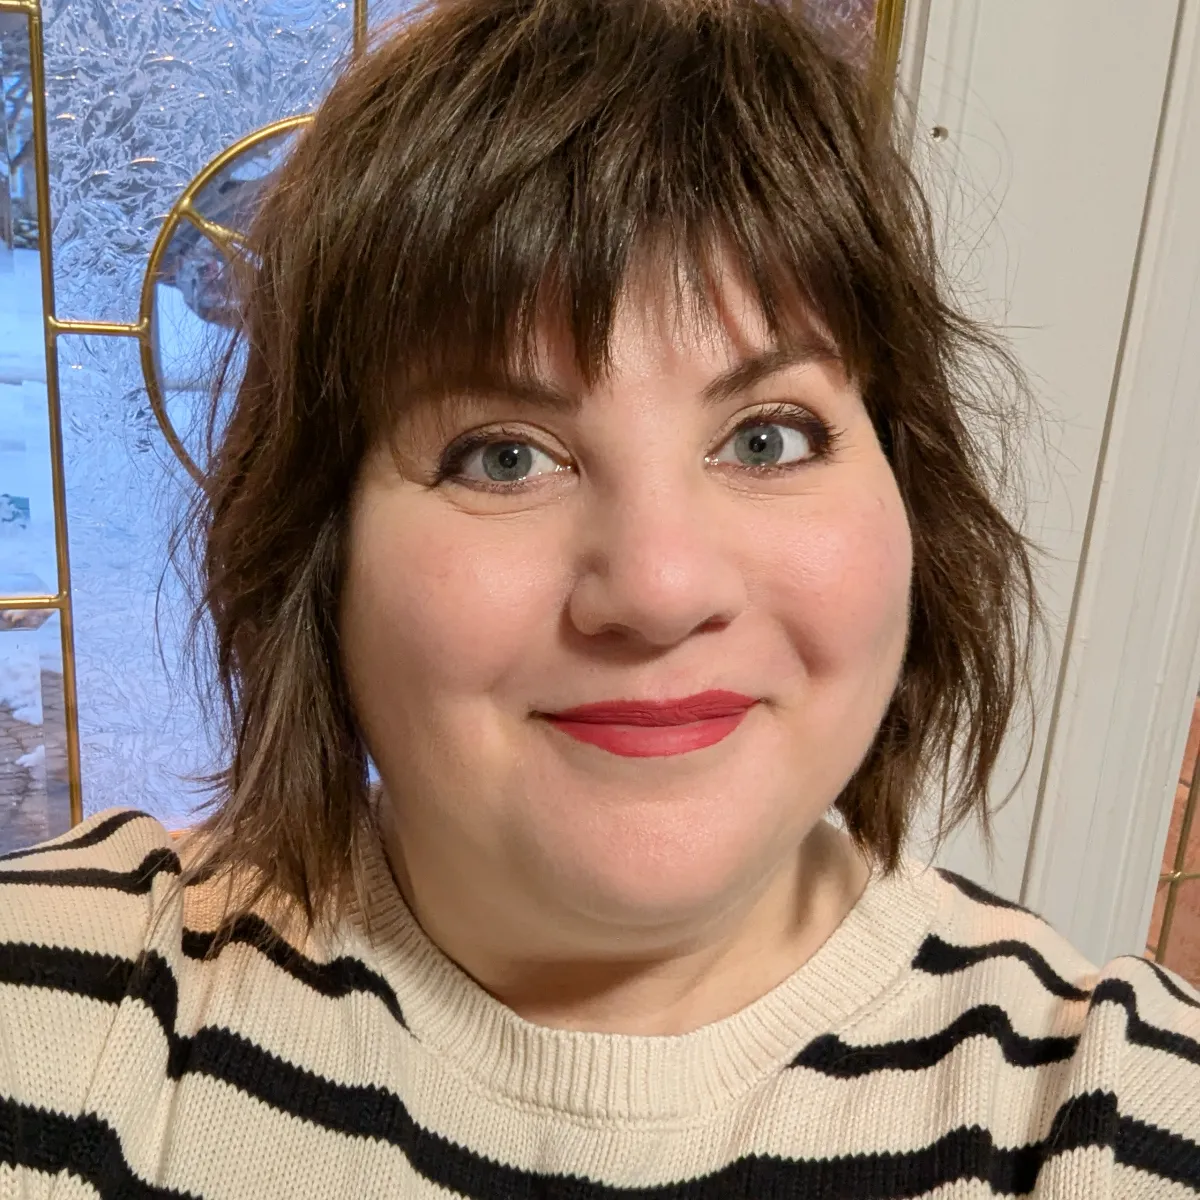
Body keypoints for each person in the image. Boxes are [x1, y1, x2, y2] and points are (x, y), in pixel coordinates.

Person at [2, 1, 1197, 1196]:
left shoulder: (1117, 1122)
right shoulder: (62, 1010)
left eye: (768, 437)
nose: (660, 589)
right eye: (503, 456)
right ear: (319, 547)